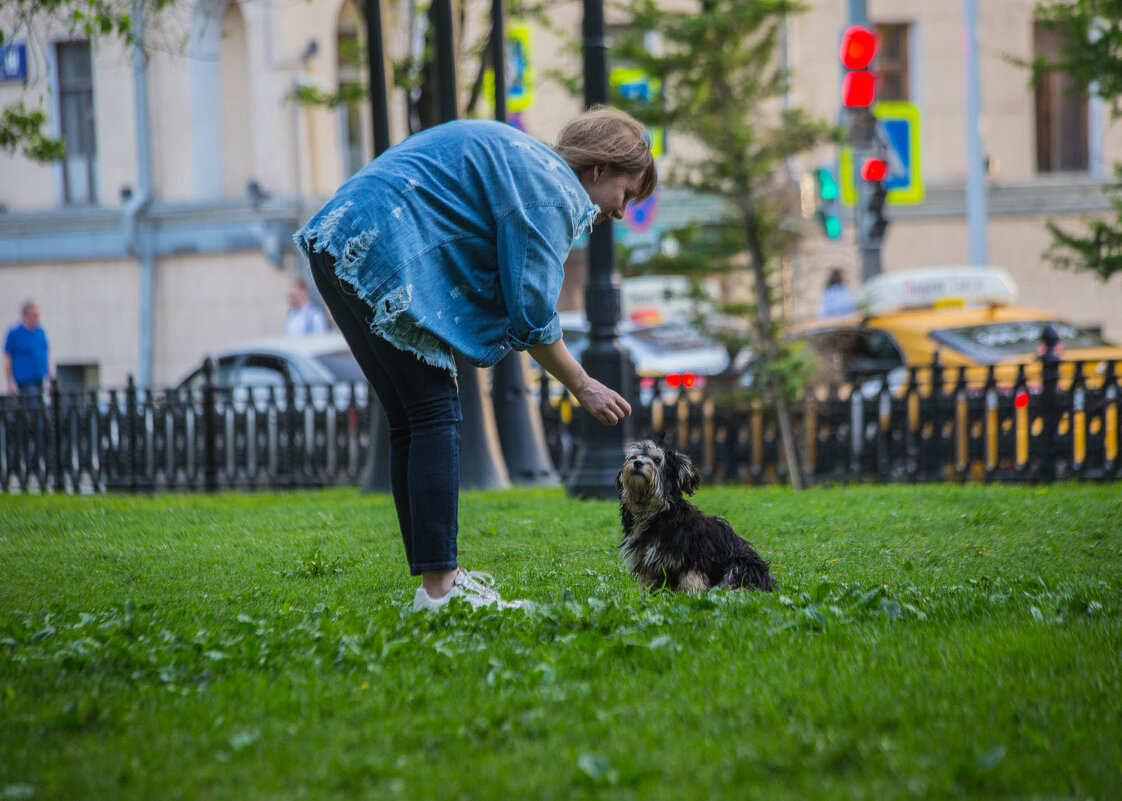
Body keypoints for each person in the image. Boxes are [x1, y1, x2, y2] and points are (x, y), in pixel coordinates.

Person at [294, 106, 656, 612]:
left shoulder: (523, 161)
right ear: (598, 171)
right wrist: (583, 384)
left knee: (410, 416)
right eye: (626, 193)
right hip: (378, 245)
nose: (620, 212)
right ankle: (441, 590)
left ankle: (435, 581)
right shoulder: (553, 188)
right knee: (434, 413)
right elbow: (531, 309)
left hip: (338, 236)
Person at [4, 299, 50, 397]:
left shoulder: (40, 331)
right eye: (34, 315)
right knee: (32, 407)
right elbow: (7, 358)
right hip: (25, 381)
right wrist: (9, 382)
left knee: (41, 408)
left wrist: (50, 375)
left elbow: (46, 353)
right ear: (25, 316)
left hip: (40, 378)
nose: (37, 318)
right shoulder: (15, 334)